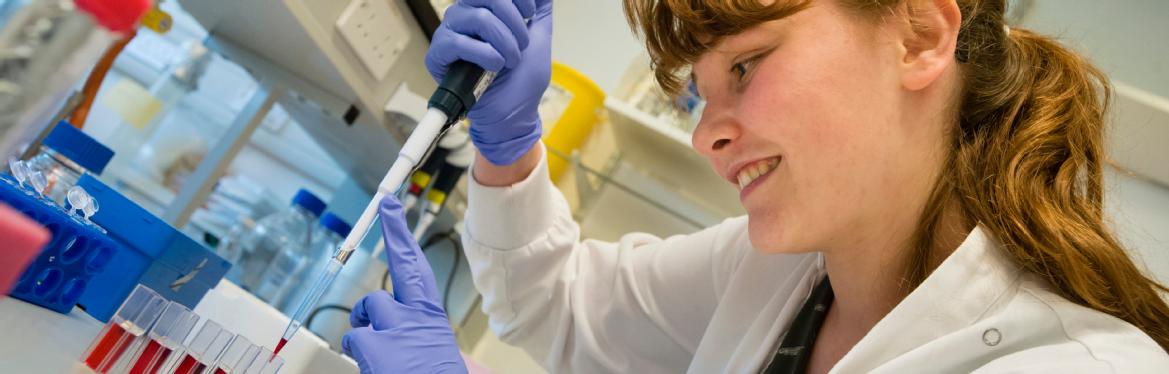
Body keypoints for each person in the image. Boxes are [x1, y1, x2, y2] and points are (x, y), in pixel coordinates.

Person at [342, 0, 1169, 372]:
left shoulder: (1084, 369)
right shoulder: (780, 274)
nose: (707, 133)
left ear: (918, 34)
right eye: (699, 90)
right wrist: (508, 147)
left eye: (745, 64)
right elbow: (562, 312)